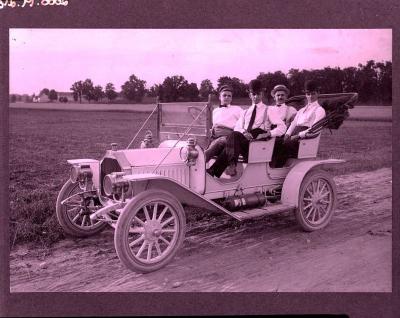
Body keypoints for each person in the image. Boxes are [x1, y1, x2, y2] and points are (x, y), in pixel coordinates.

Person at [207, 79, 286, 177]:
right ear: (250, 95)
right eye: (253, 94)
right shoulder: (245, 112)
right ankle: (231, 166)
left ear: (262, 94)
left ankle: (213, 171)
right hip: (246, 144)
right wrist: (244, 133)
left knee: (232, 139)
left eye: (258, 94)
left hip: (260, 143)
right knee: (234, 135)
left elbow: (282, 127)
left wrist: (268, 133)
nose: (256, 96)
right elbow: (237, 127)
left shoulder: (268, 110)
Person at [272, 80, 326, 167]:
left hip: (303, 140)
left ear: (318, 93)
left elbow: (314, 129)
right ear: (306, 94)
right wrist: (287, 135)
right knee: (273, 142)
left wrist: (297, 136)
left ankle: (277, 168)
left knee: (282, 146)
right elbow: (293, 124)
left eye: (313, 93)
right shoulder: (301, 110)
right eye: (308, 94)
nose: (310, 96)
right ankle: (271, 166)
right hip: (293, 137)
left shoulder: (319, 110)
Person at [205, 85, 243, 162]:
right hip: (215, 137)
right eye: (224, 95)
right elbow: (211, 125)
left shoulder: (237, 109)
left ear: (231, 98)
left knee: (221, 141)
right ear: (220, 97)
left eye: (229, 96)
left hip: (229, 137)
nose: (226, 97)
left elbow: (245, 121)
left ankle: (202, 158)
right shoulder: (215, 111)